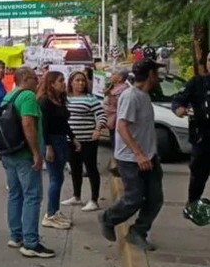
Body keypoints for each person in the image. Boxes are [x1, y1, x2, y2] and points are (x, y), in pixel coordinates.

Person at [100, 59, 164, 251]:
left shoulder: (144, 96)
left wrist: (148, 154)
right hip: (130, 159)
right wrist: (138, 154)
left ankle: (138, 232)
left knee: (155, 199)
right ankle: (108, 218)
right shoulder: (130, 96)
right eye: (156, 73)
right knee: (134, 198)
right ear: (150, 74)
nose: (158, 77)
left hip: (149, 156)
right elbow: (121, 126)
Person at [1, 66, 56, 258]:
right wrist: (36, 153)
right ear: (26, 78)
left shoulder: (10, 96)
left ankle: (15, 235)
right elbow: (28, 124)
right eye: (35, 77)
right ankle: (31, 242)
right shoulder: (28, 97)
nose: (38, 80)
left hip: (9, 153)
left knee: (15, 194)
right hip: (25, 155)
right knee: (32, 195)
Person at [37, 71, 78, 230]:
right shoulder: (45, 102)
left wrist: (72, 137)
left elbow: (63, 123)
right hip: (52, 141)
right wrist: (48, 146)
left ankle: (55, 210)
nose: (63, 83)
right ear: (52, 83)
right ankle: (50, 214)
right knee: (55, 178)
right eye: (60, 81)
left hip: (61, 139)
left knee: (59, 177)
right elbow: (44, 127)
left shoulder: (59, 100)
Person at [172, 51, 210, 215]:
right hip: (202, 138)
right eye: (209, 59)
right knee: (198, 176)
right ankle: (192, 205)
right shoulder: (197, 83)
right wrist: (179, 108)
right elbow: (179, 99)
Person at [63, 71, 107, 211]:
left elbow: (102, 116)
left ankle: (94, 200)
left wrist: (98, 129)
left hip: (88, 140)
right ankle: (77, 196)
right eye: (77, 80)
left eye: (83, 80)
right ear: (71, 82)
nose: (81, 83)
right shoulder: (65, 99)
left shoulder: (91, 99)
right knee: (75, 169)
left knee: (91, 168)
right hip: (71, 140)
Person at [103, 68, 130, 134]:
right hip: (111, 120)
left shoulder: (123, 89)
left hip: (117, 122)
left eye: (113, 74)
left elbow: (117, 104)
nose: (111, 76)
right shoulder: (112, 86)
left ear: (120, 78)